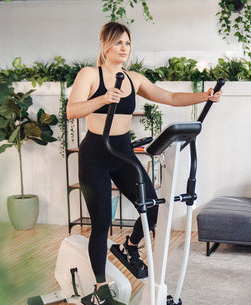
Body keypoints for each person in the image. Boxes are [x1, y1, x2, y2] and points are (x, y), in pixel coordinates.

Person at [67, 22, 222, 305]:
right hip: (95, 153)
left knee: (151, 206)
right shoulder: (89, 75)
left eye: (127, 43)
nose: (124, 48)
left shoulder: (133, 79)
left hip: (123, 150)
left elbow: (171, 97)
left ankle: (129, 247)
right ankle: (100, 290)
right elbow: (72, 110)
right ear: (104, 45)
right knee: (102, 223)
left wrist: (205, 96)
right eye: (118, 43)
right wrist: (102, 98)